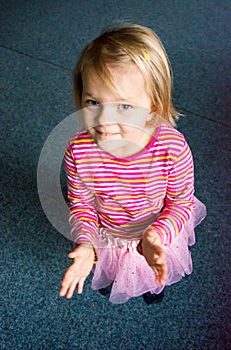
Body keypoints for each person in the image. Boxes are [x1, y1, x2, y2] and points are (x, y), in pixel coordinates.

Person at [59, 23, 206, 304]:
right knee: (111, 272)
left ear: (154, 104)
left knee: (153, 273)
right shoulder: (79, 150)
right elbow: (82, 204)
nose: (103, 120)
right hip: (109, 234)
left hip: (156, 233)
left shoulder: (172, 149)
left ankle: (153, 285)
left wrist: (155, 237)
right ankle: (110, 273)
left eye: (124, 106)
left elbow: (180, 203)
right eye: (92, 102)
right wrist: (88, 244)